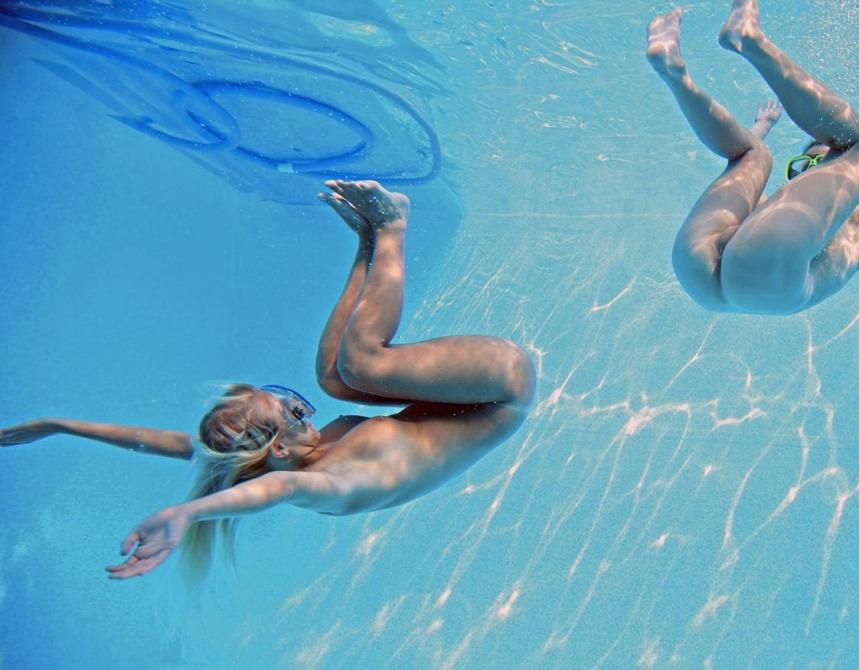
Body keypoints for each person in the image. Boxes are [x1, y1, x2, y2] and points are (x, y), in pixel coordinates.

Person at [0, 180, 536, 580]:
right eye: (292, 415)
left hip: (463, 400)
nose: (305, 413)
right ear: (278, 450)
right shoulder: (325, 481)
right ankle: (393, 225)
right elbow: (277, 489)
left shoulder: (279, 456)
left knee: (333, 379)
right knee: (358, 368)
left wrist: (60, 424)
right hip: (500, 387)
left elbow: (173, 445)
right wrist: (189, 511)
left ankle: (368, 243)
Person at [646, 1, 859, 315]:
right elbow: (738, 168)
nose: (810, 174)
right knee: (755, 155)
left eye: (822, 160)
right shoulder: (781, 216)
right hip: (704, 279)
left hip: (723, 270)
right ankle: (674, 73)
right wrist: (760, 128)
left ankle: (751, 40)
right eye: (804, 166)